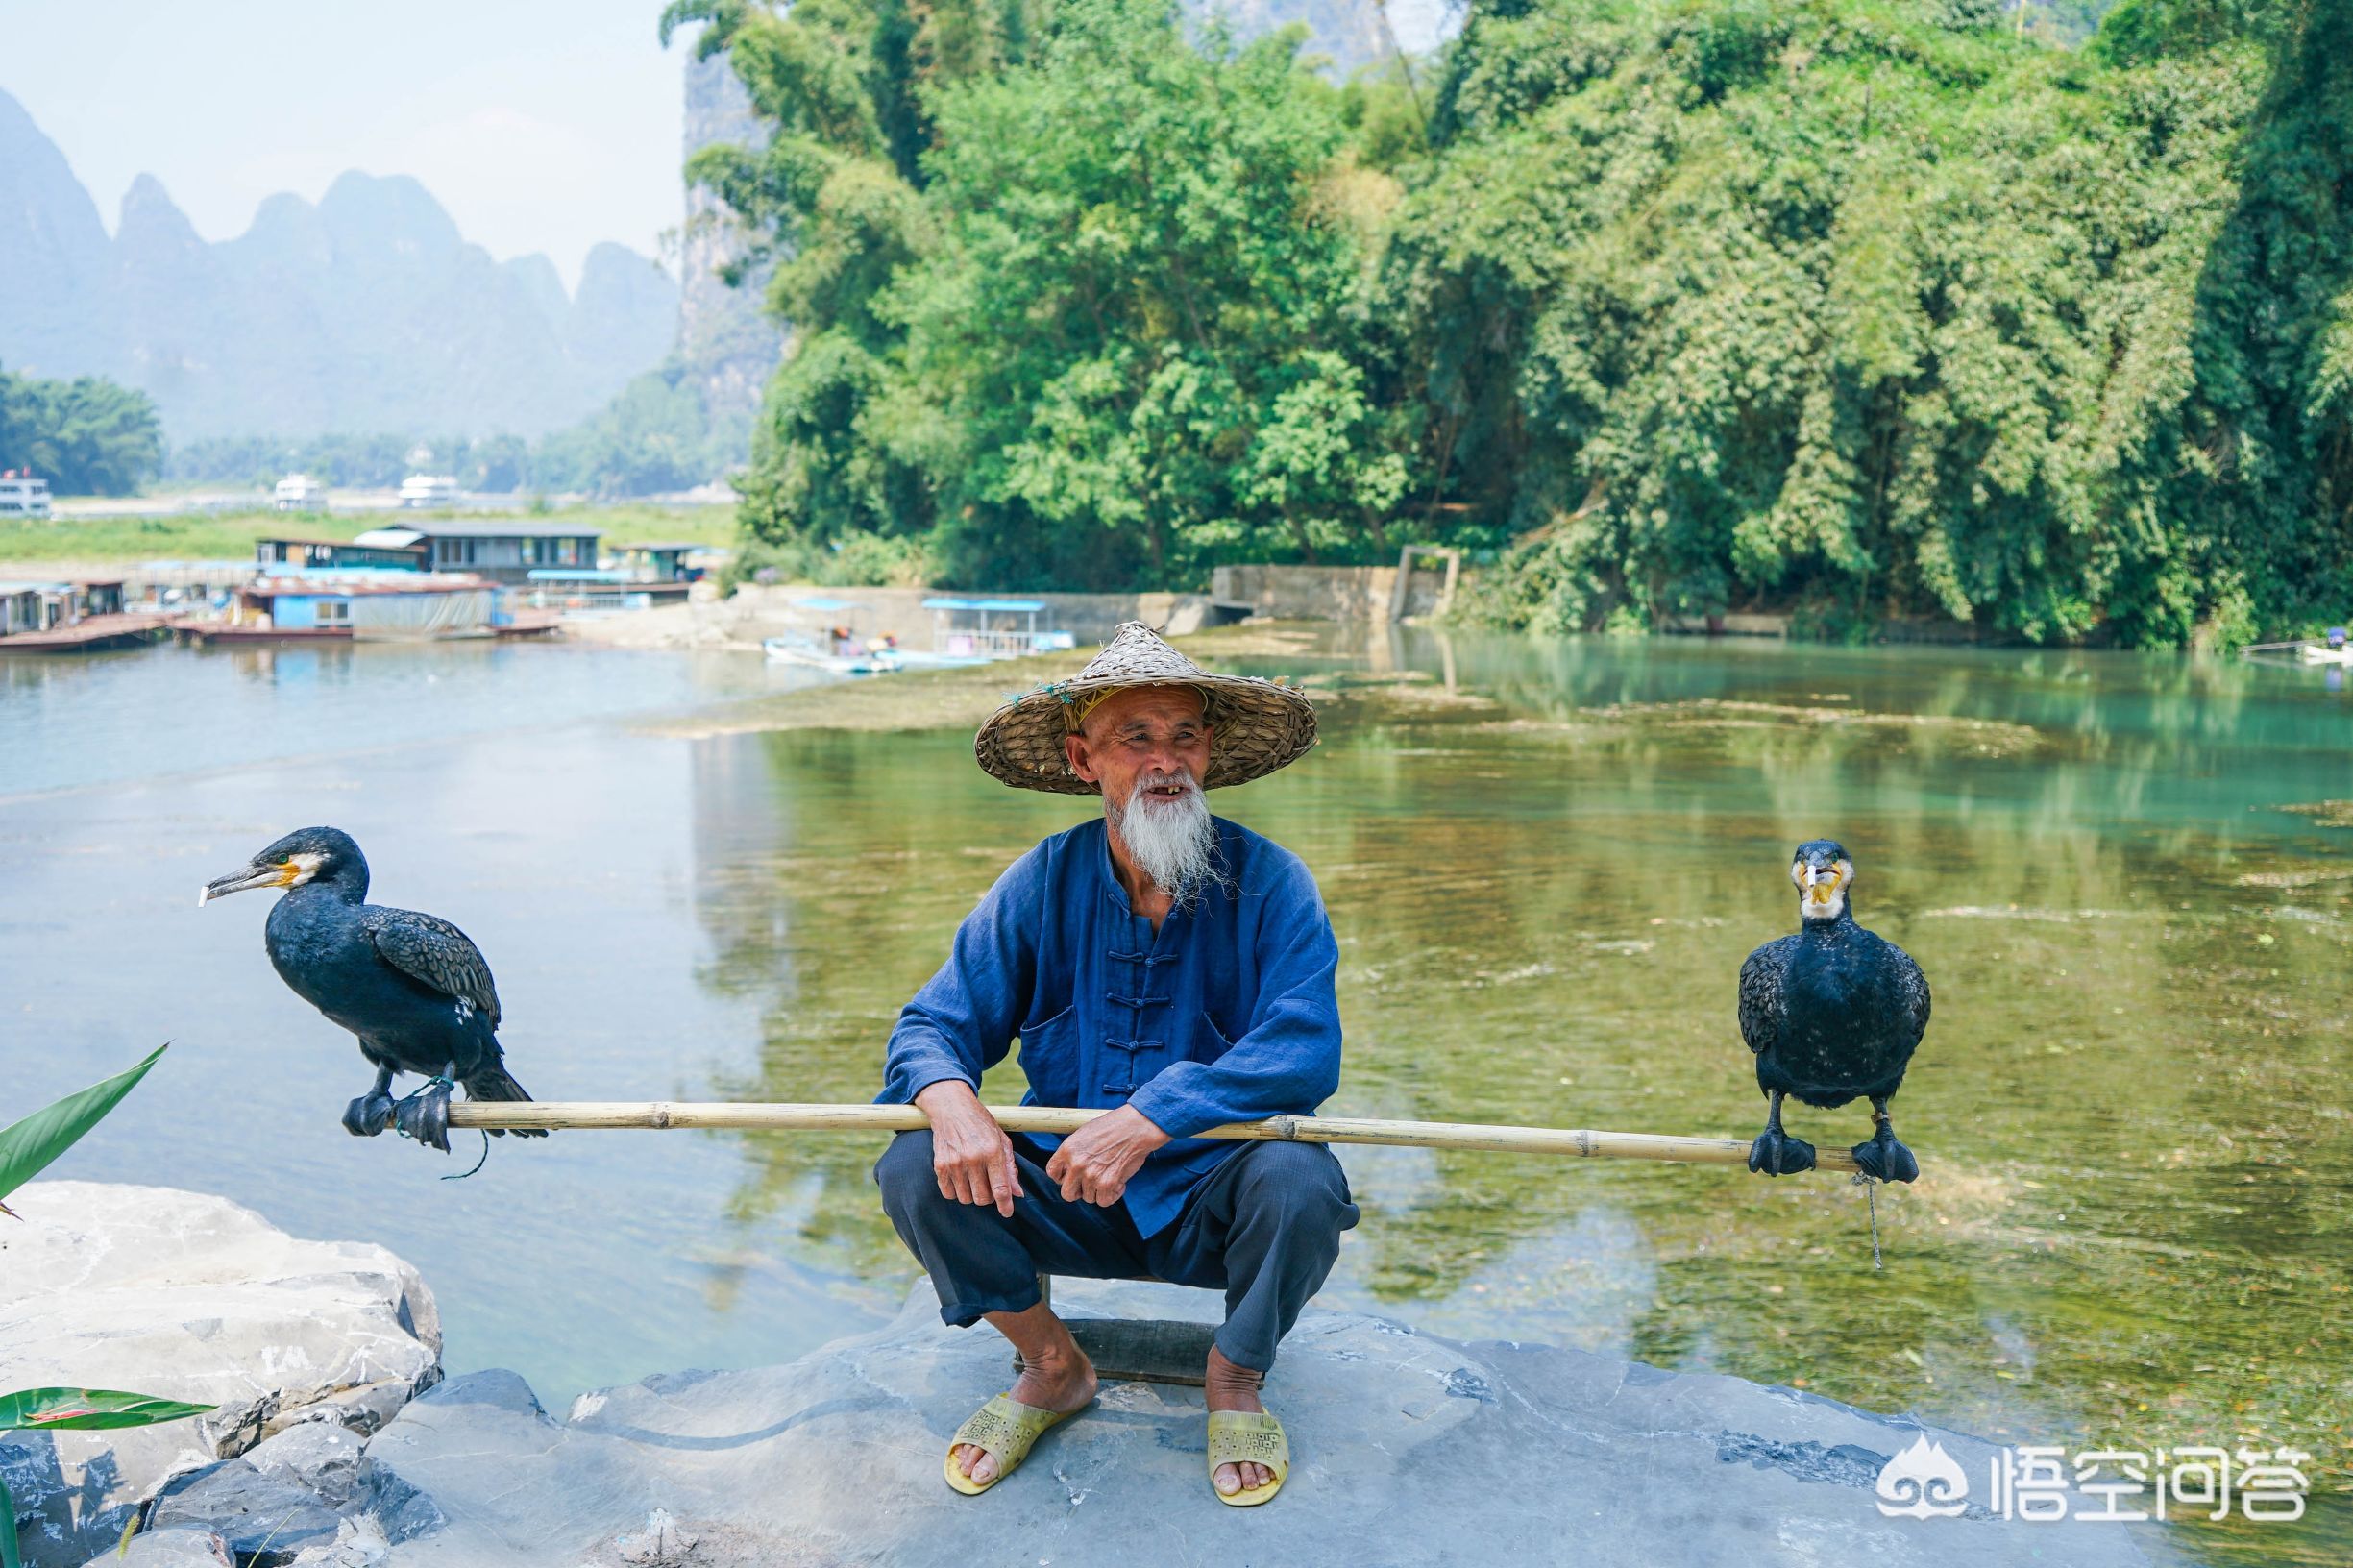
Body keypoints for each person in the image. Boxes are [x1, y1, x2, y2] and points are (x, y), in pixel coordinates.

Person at [873, 621, 1354, 1507]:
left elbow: (1304, 1049)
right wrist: (949, 1098)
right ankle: (1053, 1365)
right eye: (1135, 738)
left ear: (1208, 753)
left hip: (1213, 1193)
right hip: (1064, 1186)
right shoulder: (1041, 881)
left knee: (1300, 1182)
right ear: (1083, 758)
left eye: (1184, 737)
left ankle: (1233, 1377)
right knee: (913, 1162)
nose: (1164, 761)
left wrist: (1150, 1117)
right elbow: (930, 1025)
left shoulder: (1274, 880)